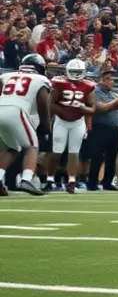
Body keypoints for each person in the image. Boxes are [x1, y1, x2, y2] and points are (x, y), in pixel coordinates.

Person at [0, 53, 53, 196]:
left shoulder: (6, 76)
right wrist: (46, 126)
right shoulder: (41, 79)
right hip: (17, 111)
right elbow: (43, 104)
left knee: (13, 147)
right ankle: (27, 179)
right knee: (32, 146)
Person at [49, 58, 95, 194]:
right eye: (73, 71)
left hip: (77, 122)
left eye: (78, 71)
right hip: (61, 121)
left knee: (74, 152)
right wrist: (63, 111)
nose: (76, 74)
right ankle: (50, 179)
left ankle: (71, 181)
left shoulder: (88, 86)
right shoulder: (59, 83)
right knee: (57, 151)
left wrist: (83, 109)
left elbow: (92, 108)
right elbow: (50, 103)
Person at [85, 69, 118, 191]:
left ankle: (107, 182)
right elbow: (99, 108)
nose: (110, 81)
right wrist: (114, 103)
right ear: (100, 80)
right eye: (107, 79)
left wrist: (113, 103)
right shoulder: (95, 92)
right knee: (97, 156)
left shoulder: (112, 94)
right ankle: (92, 183)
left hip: (114, 129)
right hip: (100, 128)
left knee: (112, 157)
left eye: (112, 79)